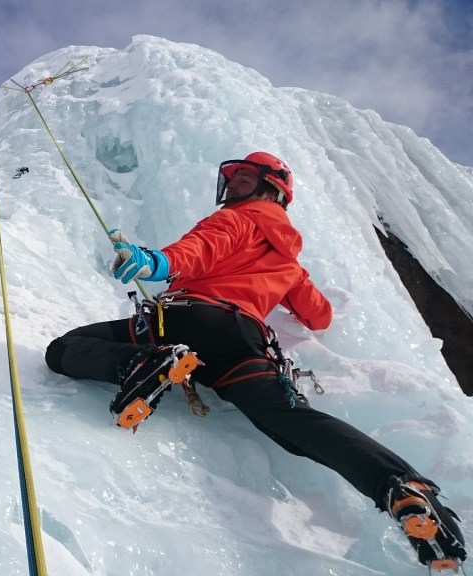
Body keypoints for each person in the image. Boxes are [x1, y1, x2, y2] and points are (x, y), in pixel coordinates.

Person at [45, 151, 466, 570]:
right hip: (241, 341)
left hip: (183, 319)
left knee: (64, 347)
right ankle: (400, 486)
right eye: (233, 178)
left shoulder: (236, 218)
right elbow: (319, 315)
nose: (233, 185)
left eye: (245, 178)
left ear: (272, 188)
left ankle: (139, 364)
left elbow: (201, 248)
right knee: (291, 421)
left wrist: (157, 262)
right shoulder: (288, 261)